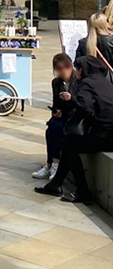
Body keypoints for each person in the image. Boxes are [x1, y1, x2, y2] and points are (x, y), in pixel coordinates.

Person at [35, 56, 113, 203]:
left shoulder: (87, 83)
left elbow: (85, 107)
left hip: (107, 136)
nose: (75, 72)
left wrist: (72, 123)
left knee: (69, 144)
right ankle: (55, 184)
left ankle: (83, 191)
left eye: (76, 68)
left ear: (82, 70)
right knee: (69, 142)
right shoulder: (103, 82)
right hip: (107, 133)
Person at [32, 53, 76, 181]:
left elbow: (82, 103)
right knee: (51, 127)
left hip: (75, 116)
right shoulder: (56, 83)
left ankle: (54, 163)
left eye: (67, 67)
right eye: (59, 68)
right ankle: (51, 164)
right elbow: (56, 103)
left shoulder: (78, 81)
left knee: (56, 127)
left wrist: (70, 99)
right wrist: (56, 111)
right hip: (63, 116)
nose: (64, 71)